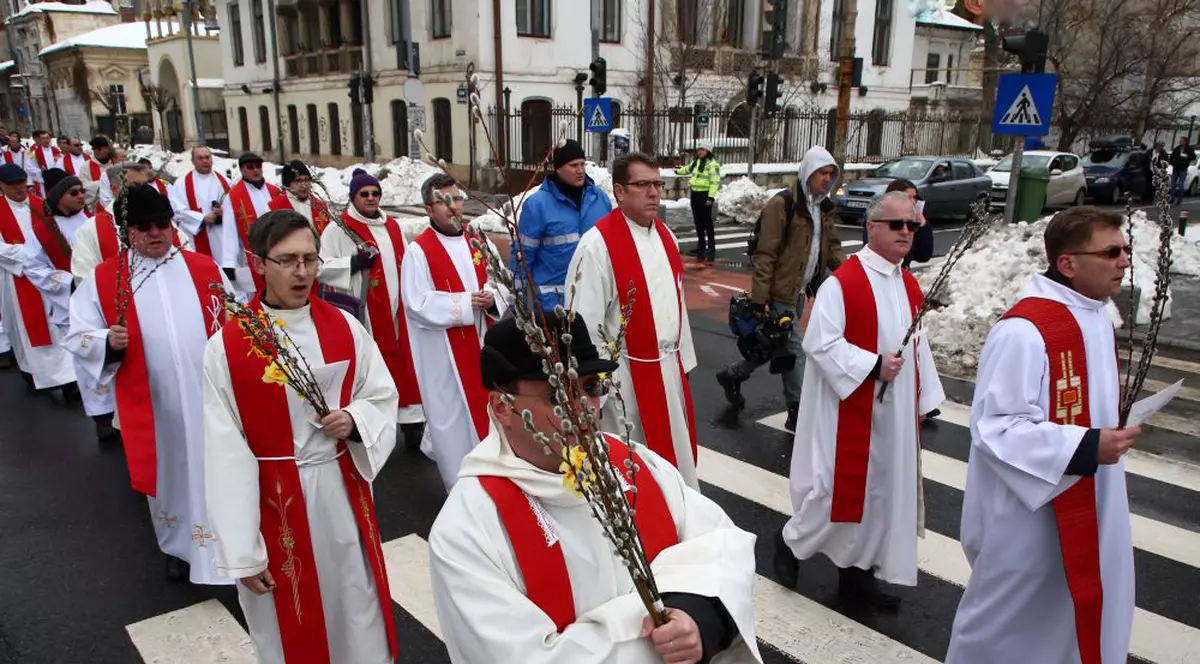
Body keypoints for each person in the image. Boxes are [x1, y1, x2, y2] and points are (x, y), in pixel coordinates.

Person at [429, 313, 762, 663]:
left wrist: (698, 618)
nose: (584, 409)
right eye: (558, 395)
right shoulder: (468, 529)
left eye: (592, 387)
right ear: (502, 408)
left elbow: (721, 544)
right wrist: (654, 627)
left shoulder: (634, 463)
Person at [203, 209, 400, 664]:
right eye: (288, 260)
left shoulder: (345, 327)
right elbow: (223, 450)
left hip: (341, 494)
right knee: (290, 624)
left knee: (358, 606)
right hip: (276, 504)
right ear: (258, 264)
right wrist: (242, 552)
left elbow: (380, 395)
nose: (303, 272)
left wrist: (353, 421)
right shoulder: (229, 347)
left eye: (310, 259)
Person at [947, 206, 1137, 663]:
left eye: (1125, 249)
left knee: (1079, 616)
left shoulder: (1096, 317)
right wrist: (1087, 445)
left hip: (1094, 499)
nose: (1124, 260)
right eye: (1111, 251)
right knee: (1009, 632)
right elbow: (996, 427)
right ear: (1068, 263)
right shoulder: (1025, 331)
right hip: (1031, 516)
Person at [775, 191, 945, 609]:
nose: (907, 232)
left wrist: (922, 399)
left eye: (912, 224)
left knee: (881, 496)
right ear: (872, 228)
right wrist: (871, 366)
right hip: (849, 410)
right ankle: (790, 542)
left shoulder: (906, 281)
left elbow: (917, 344)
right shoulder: (844, 282)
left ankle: (857, 578)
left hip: (893, 413)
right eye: (897, 225)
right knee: (836, 494)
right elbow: (819, 341)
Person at [65, 185, 234, 582]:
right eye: (144, 226)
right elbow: (77, 334)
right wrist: (108, 342)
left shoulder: (202, 268)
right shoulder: (109, 278)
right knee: (171, 472)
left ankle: (231, 539)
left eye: (163, 223)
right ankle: (178, 546)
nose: (156, 233)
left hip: (209, 394)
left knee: (220, 467)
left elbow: (232, 321)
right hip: (155, 402)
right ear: (128, 230)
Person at [566, 153, 699, 488]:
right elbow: (584, 320)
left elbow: (677, 301)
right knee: (633, 471)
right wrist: (595, 387)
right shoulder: (597, 245)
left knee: (674, 467)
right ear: (620, 191)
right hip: (625, 377)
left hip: (666, 368)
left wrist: (683, 361)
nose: (654, 192)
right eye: (643, 185)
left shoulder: (666, 235)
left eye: (657, 184)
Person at [716, 146, 846, 430]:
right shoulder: (783, 205)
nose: (826, 178)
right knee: (797, 350)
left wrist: (850, 275)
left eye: (830, 174)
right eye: (821, 173)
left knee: (773, 347)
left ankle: (733, 374)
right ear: (807, 173)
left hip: (797, 293)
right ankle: (796, 411)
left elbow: (832, 247)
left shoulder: (822, 208)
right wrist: (760, 298)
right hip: (778, 294)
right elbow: (766, 254)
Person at [403, 173, 508, 489]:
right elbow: (416, 303)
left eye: (457, 199)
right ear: (428, 210)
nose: (453, 208)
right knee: (454, 428)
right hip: (445, 360)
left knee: (493, 423)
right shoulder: (419, 252)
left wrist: (493, 297)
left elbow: (501, 280)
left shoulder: (478, 239)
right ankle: (460, 493)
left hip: (484, 348)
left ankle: (496, 489)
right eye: (443, 202)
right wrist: (464, 303)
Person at [319, 168, 424, 450]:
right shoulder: (339, 228)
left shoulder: (392, 226)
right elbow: (321, 267)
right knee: (374, 369)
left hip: (400, 311)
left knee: (407, 366)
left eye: (375, 193)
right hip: (366, 314)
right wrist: (352, 263)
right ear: (353, 197)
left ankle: (413, 425)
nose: (370, 198)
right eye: (364, 193)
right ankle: (374, 429)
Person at [0, 163, 76, 395]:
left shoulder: (40, 205)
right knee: (26, 328)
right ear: (1, 186)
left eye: (22, 183)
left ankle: (69, 379)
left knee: (56, 326)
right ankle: (34, 371)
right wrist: (30, 255)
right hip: (15, 277)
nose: (19, 189)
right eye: (13, 186)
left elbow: (56, 233)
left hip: (46, 276)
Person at [510, 139, 612, 312]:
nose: (580, 170)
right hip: (553, 305)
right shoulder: (537, 206)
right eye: (573, 165)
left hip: (594, 301)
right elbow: (523, 256)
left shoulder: (600, 200)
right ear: (558, 168)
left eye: (582, 164)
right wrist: (519, 302)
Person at [220, 152, 281, 295]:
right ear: (242, 169)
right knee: (258, 294)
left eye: (258, 166)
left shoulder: (275, 191)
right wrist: (229, 262)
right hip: (252, 256)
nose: (256, 170)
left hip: (278, 251)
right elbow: (229, 231)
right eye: (250, 167)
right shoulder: (234, 196)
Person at [169, 145, 231, 260]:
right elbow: (177, 211)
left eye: (207, 157)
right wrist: (202, 218)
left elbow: (234, 206)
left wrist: (224, 211)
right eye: (200, 158)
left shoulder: (225, 182)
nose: (205, 161)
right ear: (192, 161)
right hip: (197, 236)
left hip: (222, 236)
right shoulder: (181, 184)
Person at [859, 179, 934, 269]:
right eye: (908, 197)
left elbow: (923, 256)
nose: (913, 202)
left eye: (914, 197)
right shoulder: (879, 220)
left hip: (900, 274)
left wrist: (922, 224)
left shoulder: (912, 221)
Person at [675, 141, 721, 261]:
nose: (700, 151)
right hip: (695, 194)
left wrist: (710, 197)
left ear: (708, 151)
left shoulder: (712, 165)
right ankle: (701, 245)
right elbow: (687, 169)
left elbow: (715, 182)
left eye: (703, 149)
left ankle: (711, 246)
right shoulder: (696, 162)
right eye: (699, 149)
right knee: (698, 222)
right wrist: (678, 171)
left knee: (707, 222)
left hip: (705, 195)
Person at [268, 159, 333, 234]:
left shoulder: (321, 207)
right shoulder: (273, 208)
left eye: (307, 180)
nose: (304, 185)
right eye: (298, 180)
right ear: (287, 184)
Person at [25, 129, 60, 198]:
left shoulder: (56, 151)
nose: (46, 140)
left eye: (47, 138)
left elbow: (61, 163)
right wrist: (40, 171)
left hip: (57, 179)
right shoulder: (35, 153)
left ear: (50, 139)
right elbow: (30, 166)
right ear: (40, 140)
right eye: (43, 138)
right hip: (44, 180)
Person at [1169, 135, 1195, 204]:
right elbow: (1171, 157)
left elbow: (1193, 157)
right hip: (1176, 168)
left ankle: (1180, 198)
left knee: (1180, 184)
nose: (1180, 142)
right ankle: (1172, 198)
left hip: (1183, 168)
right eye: (1180, 141)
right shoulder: (1177, 148)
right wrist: (1172, 163)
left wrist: (1188, 157)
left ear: (1186, 142)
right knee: (1173, 184)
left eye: (1182, 141)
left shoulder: (1189, 149)